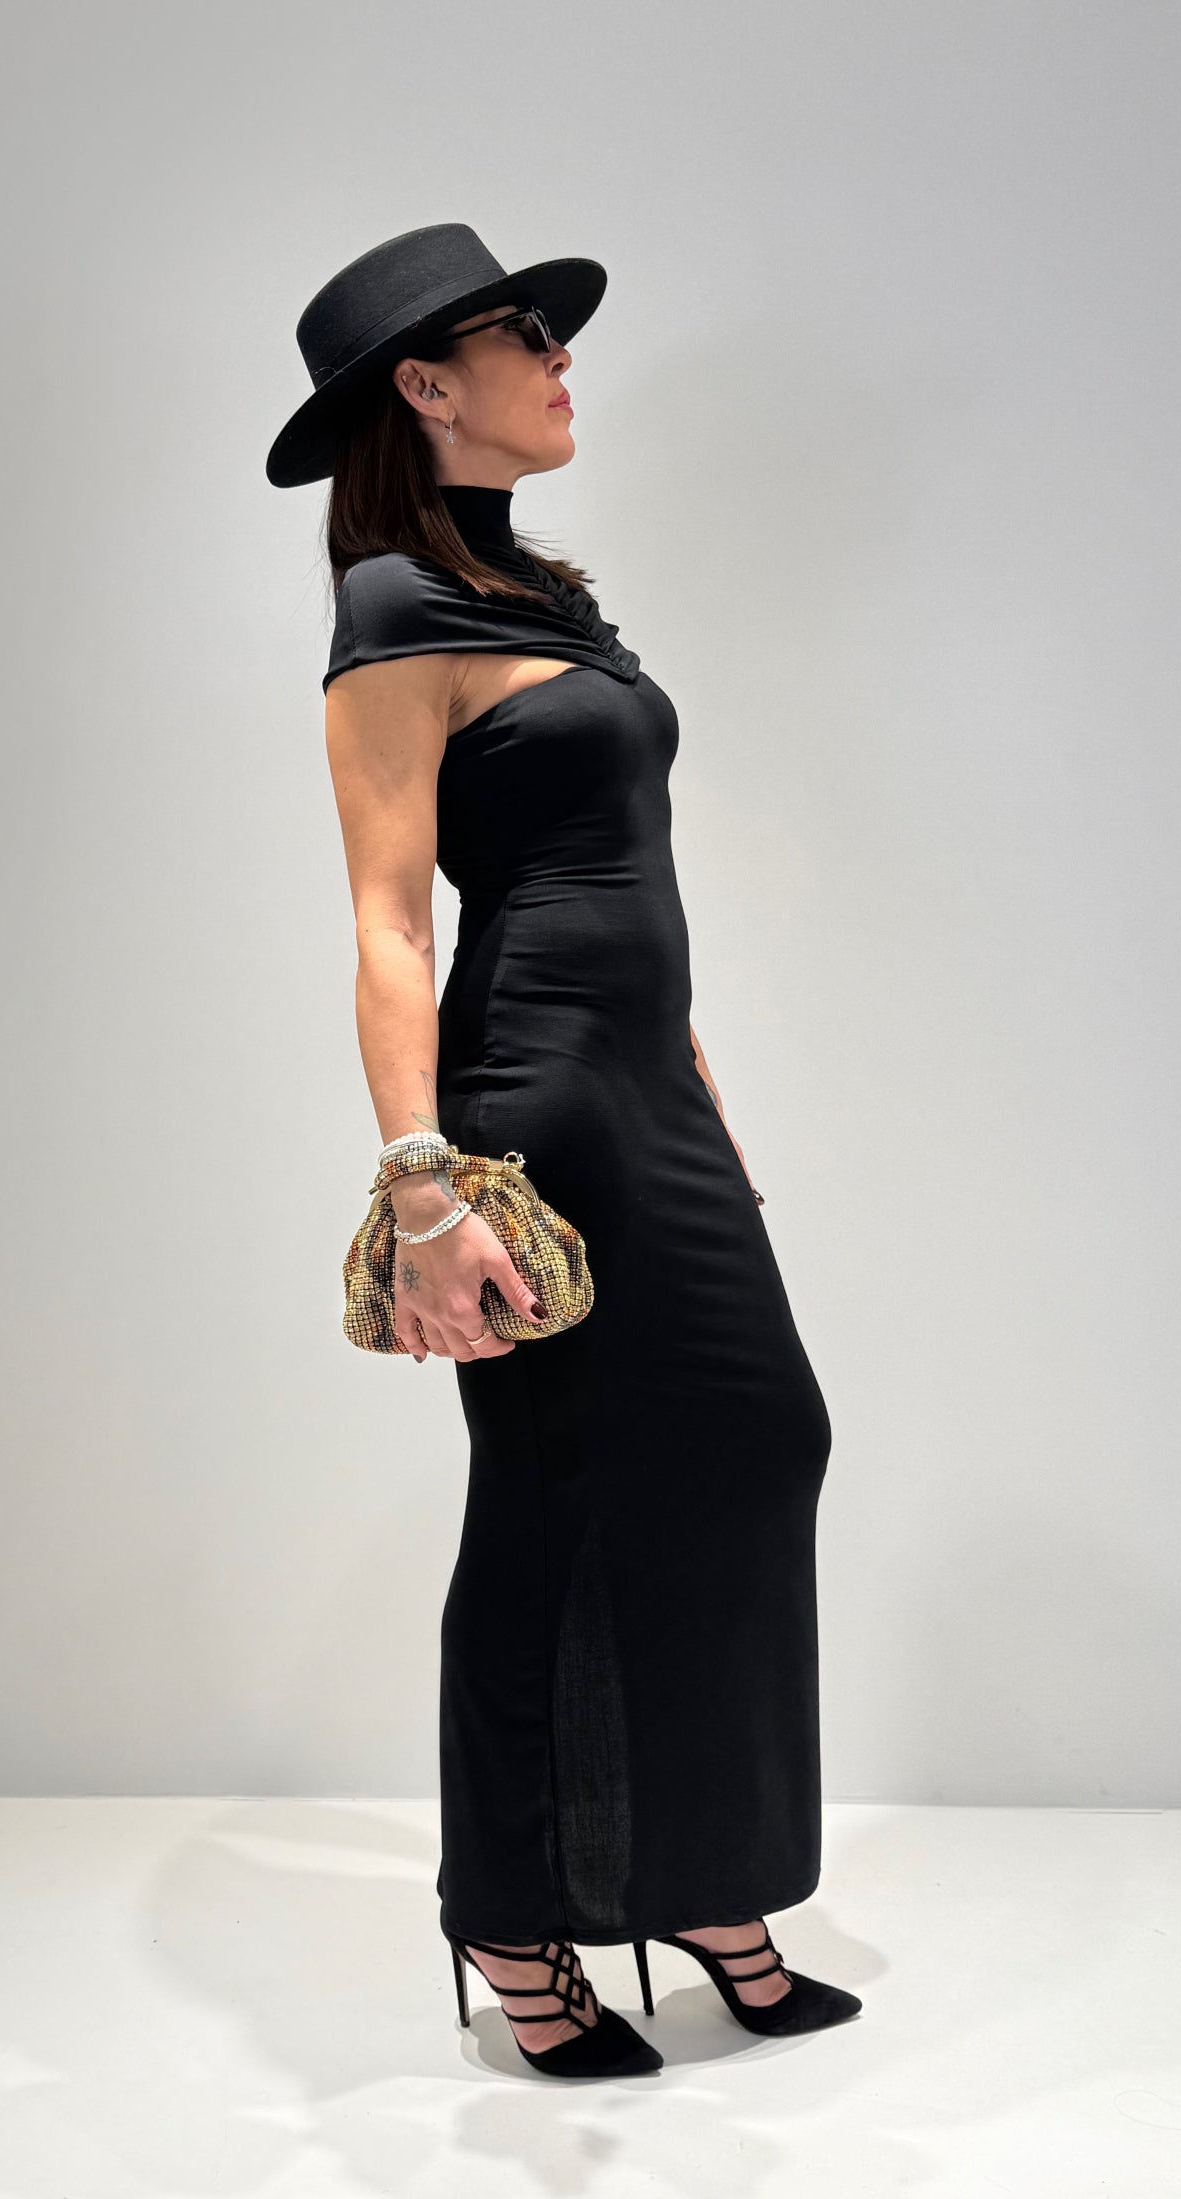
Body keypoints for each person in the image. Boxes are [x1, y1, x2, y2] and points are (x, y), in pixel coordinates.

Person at [266, 224, 862, 2079]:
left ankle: (695, 1874)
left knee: (752, 1448)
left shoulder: (537, 594)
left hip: (643, 1095)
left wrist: (695, 1082)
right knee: (559, 1501)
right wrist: (421, 1187)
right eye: (525, 335)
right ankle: (517, 1923)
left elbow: (620, 878)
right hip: (526, 1106)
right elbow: (389, 920)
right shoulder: (391, 605)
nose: (560, 358)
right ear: (426, 387)